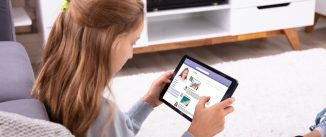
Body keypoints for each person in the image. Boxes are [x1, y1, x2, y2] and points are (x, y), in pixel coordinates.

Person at [32, 0, 235, 137]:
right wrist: (197, 132)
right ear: (109, 42)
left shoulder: (56, 84)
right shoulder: (97, 111)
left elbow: (118, 131)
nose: (131, 54)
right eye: (133, 43)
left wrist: (147, 102)